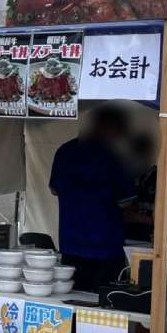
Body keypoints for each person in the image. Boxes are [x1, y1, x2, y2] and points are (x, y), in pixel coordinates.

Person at [49, 106, 136, 293]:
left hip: (70, 243)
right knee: (105, 303)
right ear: (108, 128)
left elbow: (54, 189)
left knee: (73, 299)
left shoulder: (64, 151)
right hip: (106, 246)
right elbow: (125, 201)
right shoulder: (116, 156)